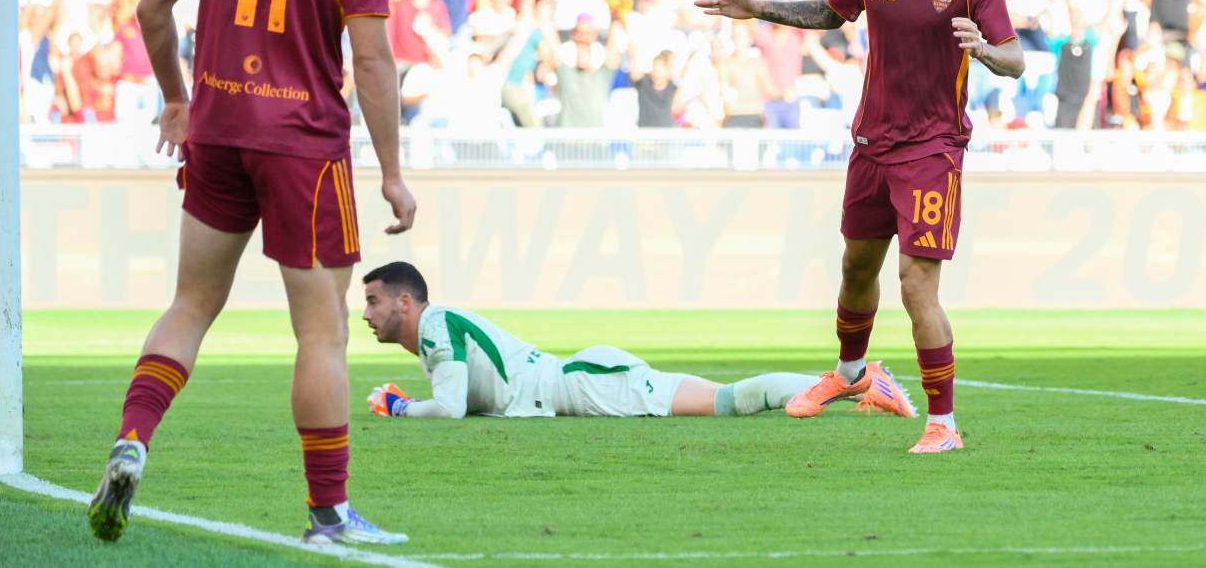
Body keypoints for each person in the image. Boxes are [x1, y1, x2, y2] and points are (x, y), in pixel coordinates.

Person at [87, 0, 416, 546]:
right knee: (322, 331)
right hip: (302, 146)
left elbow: (152, 8)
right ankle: (329, 515)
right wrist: (394, 173)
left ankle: (133, 437)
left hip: (218, 129)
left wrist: (176, 98)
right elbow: (372, 61)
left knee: (190, 305)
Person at [697, 0, 1024, 453]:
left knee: (916, 284)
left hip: (932, 151)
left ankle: (943, 424)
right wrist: (760, 8)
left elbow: (1015, 59)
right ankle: (853, 374)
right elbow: (831, 12)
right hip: (872, 142)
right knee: (855, 268)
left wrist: (983, 50)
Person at [360, 262, 916, 420]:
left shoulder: (436, 325)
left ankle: (856, 381)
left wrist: (401, 407)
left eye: (373, 301)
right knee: (726, 400)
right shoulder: (439, 325)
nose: (365, 314)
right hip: (577, 384)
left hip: (585, 386)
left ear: (405, 302)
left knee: (727, 402)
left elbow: (451, 408)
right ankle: (854, 382)